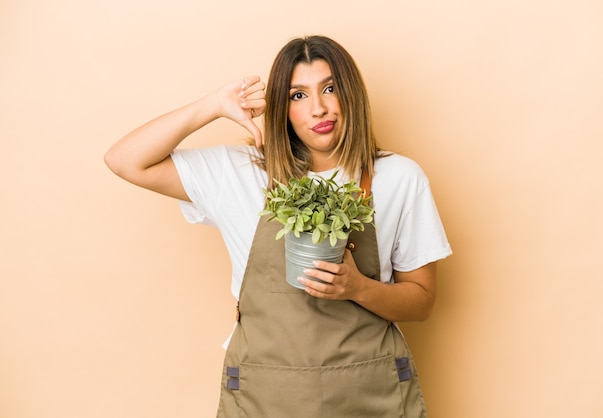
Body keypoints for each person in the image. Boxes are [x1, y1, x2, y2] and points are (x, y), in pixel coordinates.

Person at [105, 35, 451, 417]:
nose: (318, 108)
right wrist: (213, 106)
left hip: (368, 392)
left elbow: (421, 301)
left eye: (330, 88)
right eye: (297, 96)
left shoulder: (399, 177)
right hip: (265, 395)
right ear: (281, 110)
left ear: (351, 95)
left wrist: (357, 287)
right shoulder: (238, 172)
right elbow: (125, 160)